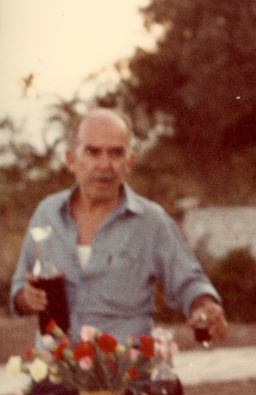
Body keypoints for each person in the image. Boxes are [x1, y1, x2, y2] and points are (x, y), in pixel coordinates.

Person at [10, 108, 227, 344]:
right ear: (71, 160)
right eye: (92, 152)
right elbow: (19, 290)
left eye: (116, 153)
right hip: (55, 363)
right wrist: (27, 298)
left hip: (124, 365)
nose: (105, 164)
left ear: (129, 162)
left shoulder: (151, 221)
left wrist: (205, 307)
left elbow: (189, 282)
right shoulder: (47, 214)